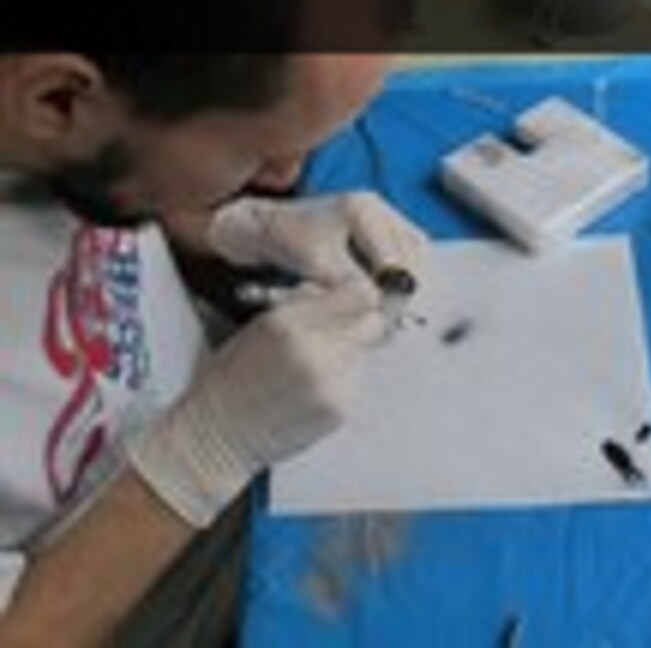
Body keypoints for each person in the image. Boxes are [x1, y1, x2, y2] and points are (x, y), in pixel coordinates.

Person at [0, 23, 427, 648]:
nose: (288, 176)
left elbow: (93, 159)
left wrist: (226, 226)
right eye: (260, 152)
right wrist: (198, 458)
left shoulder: (55, 112)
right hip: (112, 583)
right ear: (56, 98)